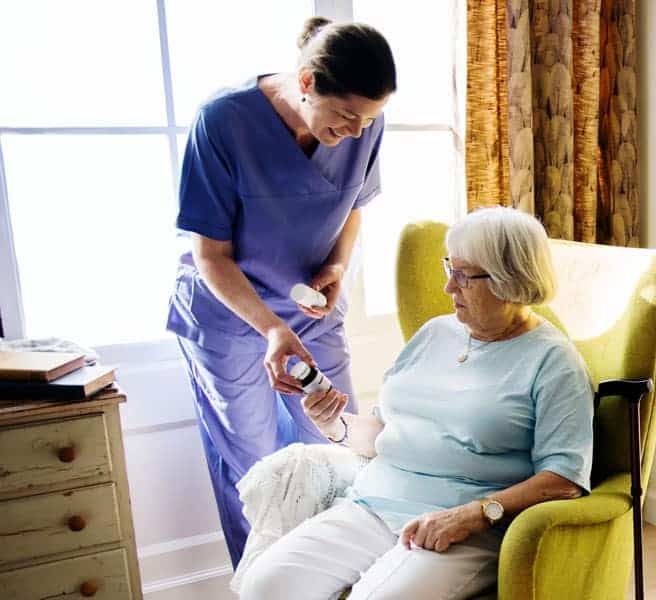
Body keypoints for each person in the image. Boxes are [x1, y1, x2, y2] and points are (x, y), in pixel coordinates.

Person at [239, 207, 595, 600]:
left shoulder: (554, 362)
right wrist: (334, 425)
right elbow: (384, 432)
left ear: (508, 279)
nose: (449, 288)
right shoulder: (435, 333)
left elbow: (564, 480)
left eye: (463, 275)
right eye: (449, 269)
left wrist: (474, 515)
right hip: (373, 504)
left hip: (460, 526)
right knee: (265, 586)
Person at [166, 17, 396, 568]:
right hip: (230, 315)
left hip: (311, 310)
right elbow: (210, 256)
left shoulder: (363, 126)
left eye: (369, 120)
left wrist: (338, 265)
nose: (357, 132)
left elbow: (353, 208)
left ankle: (340, 578)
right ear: (308, 81)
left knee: (342, 448)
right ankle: (268, 584)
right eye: (346, 116)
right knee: (256, 466)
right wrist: (271, 328)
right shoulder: (223, 123)